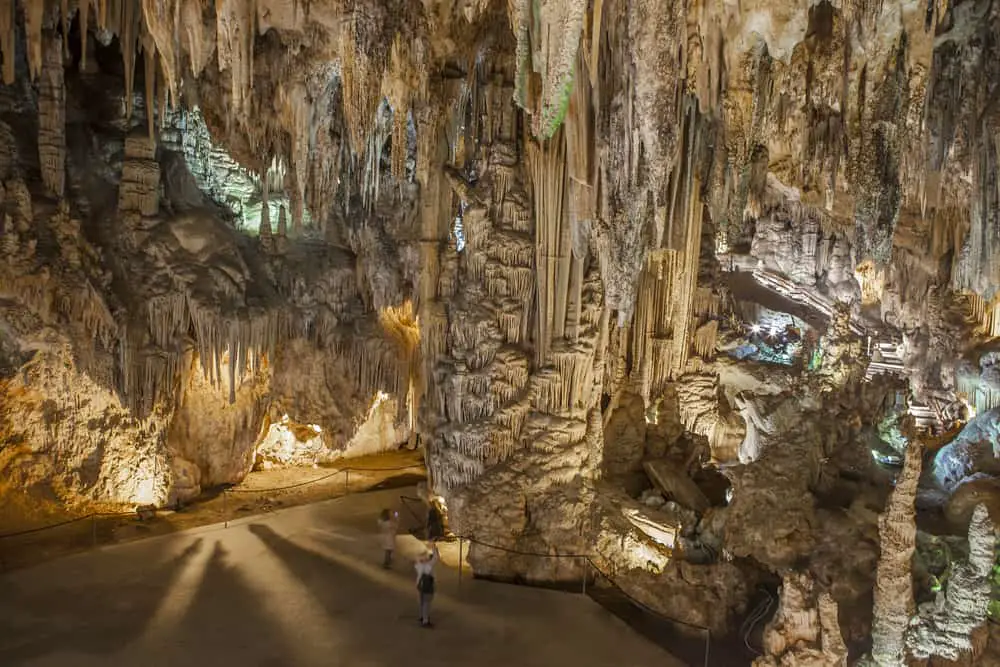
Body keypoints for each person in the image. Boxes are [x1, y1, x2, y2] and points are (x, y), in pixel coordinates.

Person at [414, 542, 440, 627]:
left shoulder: (418, 565)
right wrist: (434, 547)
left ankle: (421, 616)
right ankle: (425, 620)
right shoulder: (428, 566)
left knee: (421, 602)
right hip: (428, 587)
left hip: (420, 586)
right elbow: (436, 558)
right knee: (426, 603)